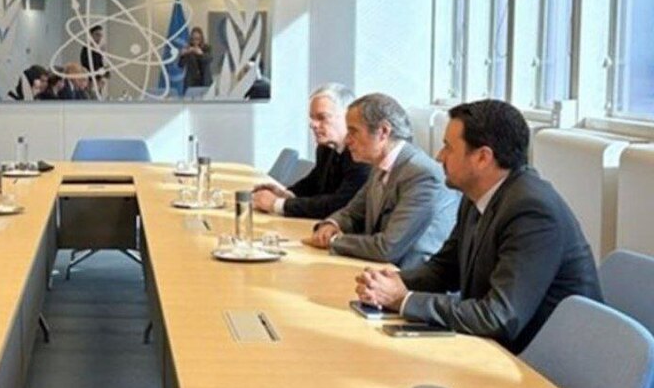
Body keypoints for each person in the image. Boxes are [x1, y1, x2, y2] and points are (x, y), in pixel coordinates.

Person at [355, 99, 602, 354]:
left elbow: (498, 317)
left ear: (483, 157)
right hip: (500, 348)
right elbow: (445, 269)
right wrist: (393, 281)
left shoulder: (532, 211)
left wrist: (403, 299)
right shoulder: (476, 195)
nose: (439, 157)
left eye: (448, 147)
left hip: (544, 361)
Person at [304, 92, 457, 269]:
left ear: (383, 131)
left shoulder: (422, 175)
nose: (347, 140)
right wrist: (332, 224)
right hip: (379, 271)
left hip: (409, 278)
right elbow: (352, 212)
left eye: (353, 131)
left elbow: (388, 248)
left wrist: (334, 240)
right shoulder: (379, 165)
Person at [254, 84, 369, 219]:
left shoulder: (361, 155)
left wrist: (278, 204)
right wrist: (287, 194)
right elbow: (313, 182)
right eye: (312, 118)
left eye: (322, 117)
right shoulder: (325, 148)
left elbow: (340, 205)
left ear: (347, 117)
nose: (312, 124)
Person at [79, 25, 110, 98]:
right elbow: (88, 67)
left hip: (97, 84)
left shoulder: (97, 51)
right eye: (97, 35)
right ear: (91, 35)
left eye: (101, 36)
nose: (99, 38)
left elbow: (101, 66)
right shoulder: (86, 50)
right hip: (90, 83)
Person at [178, 26, 212, 91]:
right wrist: (182, 56)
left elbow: (209, 60)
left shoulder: (207, 48)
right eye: (193, 39)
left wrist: (201, 54)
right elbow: (180, 65)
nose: (195, 41)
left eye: (197, 39)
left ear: (201, 39)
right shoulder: (187, 48)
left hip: (204, 80)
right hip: (191, 82)